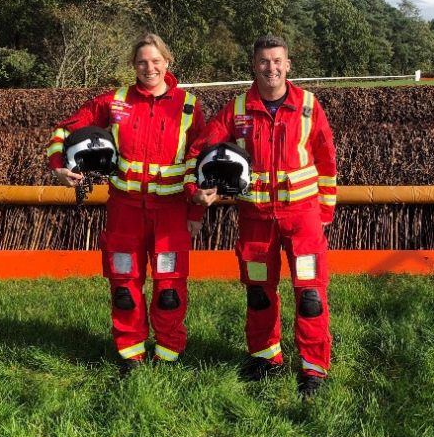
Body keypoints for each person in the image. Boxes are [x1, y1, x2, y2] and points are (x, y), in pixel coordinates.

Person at [46, 33, 205, 374]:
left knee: (169, 288)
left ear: (167, 62)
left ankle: (168, 354)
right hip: (125, 212)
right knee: (124, 285)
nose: (149, 67)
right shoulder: (113, 101)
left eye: (155, 61)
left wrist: (196, 211)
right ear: (134, 66)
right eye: (142, 62)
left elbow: (199, 160)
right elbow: (66, 129)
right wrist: (60, 166)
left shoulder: (189, 105)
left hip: (171, 212)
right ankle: (130, 354)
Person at [189, 35, 337, 398]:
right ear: (254, 65)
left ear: (288, 65)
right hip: (255, 220)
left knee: (310, 297)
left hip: (302, 220)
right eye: (263, 61)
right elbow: (201, 148)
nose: (271, 68)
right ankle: (265, 358)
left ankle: (313, 369)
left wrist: (325, 213)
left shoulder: (308, 105)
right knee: (258, 293)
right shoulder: (237, 108)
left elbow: (326, 159)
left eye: (277, 61)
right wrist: (201, 186)